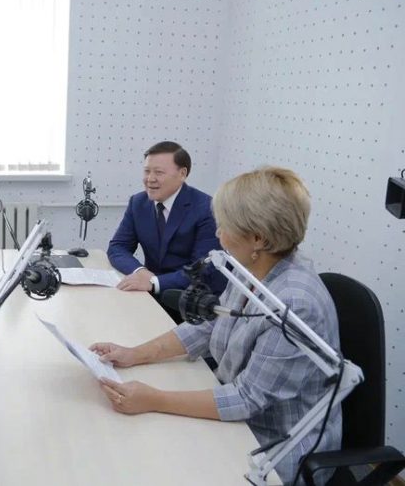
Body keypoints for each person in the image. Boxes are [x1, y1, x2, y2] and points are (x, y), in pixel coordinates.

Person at [91, 167, 341, 485]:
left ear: (258, 239)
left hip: (275, 448)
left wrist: (154, 399)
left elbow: (247, 399)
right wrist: (134, 354)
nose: (218, 234)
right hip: (239, 421)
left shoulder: (294, 303)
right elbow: (209, 324)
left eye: (225, 226)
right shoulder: (253, 271)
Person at [107, 141, 225, 318]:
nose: (150, 179)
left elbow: (204, 268)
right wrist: (141, 272)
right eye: (147, 171)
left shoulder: (206, 208)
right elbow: (117, 247)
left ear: (182, 174)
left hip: (194, 303)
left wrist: (155, 282)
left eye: (159, 172)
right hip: (151, 295)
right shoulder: (138, 203)